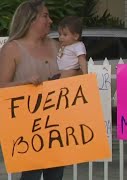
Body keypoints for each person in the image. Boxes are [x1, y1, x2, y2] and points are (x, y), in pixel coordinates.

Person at [0, 0, 79, 179]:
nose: (50, 21)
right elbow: (1, 88)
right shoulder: (12, 49)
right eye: (45, 16)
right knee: (31, 176)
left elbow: (73, 74)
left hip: (57, 129)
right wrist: (24, 84)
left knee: (56, 175)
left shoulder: (56, 46)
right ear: (30, 19)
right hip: (28, 132)